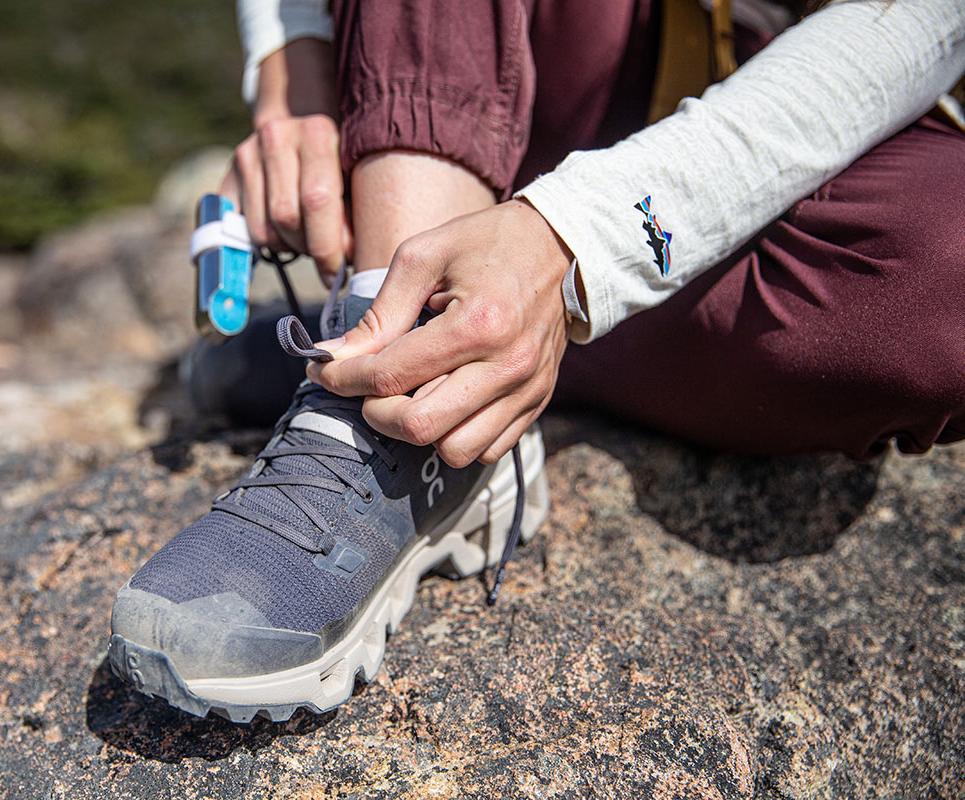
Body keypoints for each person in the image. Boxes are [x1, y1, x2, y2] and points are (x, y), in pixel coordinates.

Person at [107, 0, 965, 722]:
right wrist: (295, 58)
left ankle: (427, 332)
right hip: (481, 55)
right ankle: (400, 352)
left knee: (942, 284)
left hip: (783, 92)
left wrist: (580, 237)